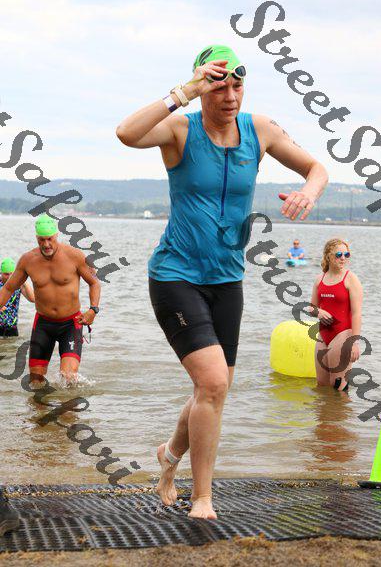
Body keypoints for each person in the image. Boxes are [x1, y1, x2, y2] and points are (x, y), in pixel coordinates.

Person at [116, 44, 328, 519]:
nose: (230, 96)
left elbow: (316, 169)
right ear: (202, 88)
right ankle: (203, 497)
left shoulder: (260, 129)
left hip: (228, 279)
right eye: (218, 87)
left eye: (237, 86)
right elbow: (126, 133)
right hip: (175, 275)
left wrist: (309, 193)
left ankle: (169, 456)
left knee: (214, 388)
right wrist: (183, 92)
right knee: (212, 383)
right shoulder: (179, 129)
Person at [0, 215, 101, 384]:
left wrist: (93, 310)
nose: (46, 244)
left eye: (49, 239)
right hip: (43, 325)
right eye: (41, 240)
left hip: (71, 323)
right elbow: (9, 288)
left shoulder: (75, 256)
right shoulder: (28, 260)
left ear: (56, 235)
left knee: (68, 377)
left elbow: (94, 283)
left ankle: (71, 402)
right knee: (35, 380)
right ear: (36, 238)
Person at [309, 238, 362, 391]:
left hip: (343, 335)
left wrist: (354, 343)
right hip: (323, 336)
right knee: (322, 385)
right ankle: (327, 408)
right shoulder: (320, 279)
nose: (343, 258)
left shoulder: (351, 279)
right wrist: (318, 312)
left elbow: (357, 314)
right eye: (339, 254)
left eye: (346, 254)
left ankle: (343, 407)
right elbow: (311, 308)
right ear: (328, 256)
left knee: (338, 385)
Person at [0, 257, 35, 337]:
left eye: (12, 274)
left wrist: (23, 280)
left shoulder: (18, 284)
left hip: (12, 327)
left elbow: (32, 299)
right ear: (1, 272)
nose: (9, 277)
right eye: (6, 274)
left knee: (13, 345)